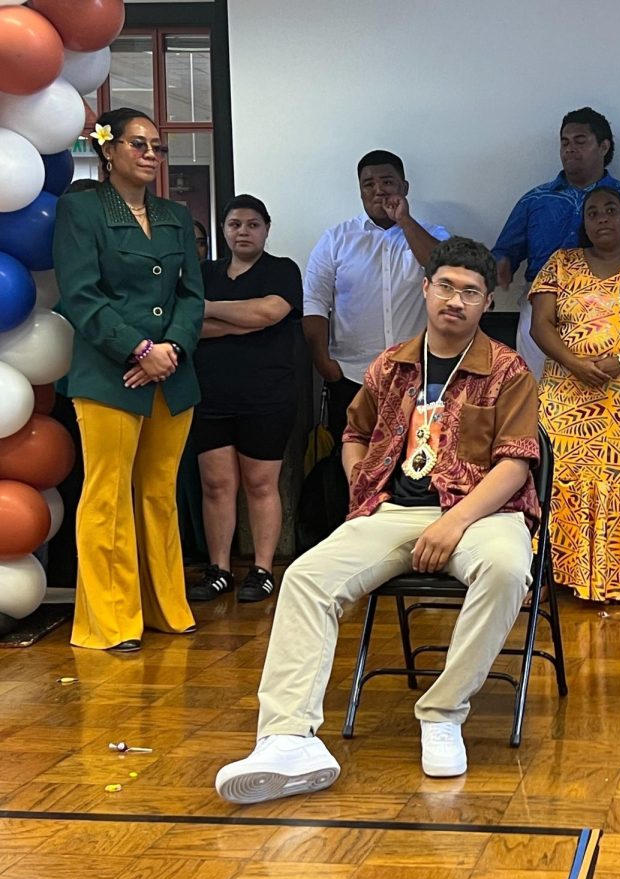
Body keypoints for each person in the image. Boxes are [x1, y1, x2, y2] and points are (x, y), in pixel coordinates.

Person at [215, 236, 540, 800]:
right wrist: (361, 480)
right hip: (394, 510)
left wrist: (453, 522)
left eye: (470, 292)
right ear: (427, 289)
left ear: (488, 302)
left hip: (485, 510)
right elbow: (354, 431)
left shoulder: (508, 369)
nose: (455, 301)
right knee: (306, 579)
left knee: (509, 569)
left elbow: (515, 465)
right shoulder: (391, 365)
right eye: (446, 287)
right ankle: (287, 737)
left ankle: (442, 712)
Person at [52, 107, 203, 651]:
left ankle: (165, 608)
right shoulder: (82, 209)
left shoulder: (174, 214)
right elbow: (80, 295)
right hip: (110, 374)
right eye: (138, 144)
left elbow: (192, 293)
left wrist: (172, 349)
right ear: (107, 150)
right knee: (108, 496)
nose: (150, 155)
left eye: (157, 147)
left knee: (160, 494)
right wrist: (138, 348)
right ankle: (110, 623)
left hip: (172, 373)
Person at [530, 187, 620, 606]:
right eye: (593, 212)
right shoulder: (561, 263)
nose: (602, 218)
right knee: (556, 480)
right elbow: (541, 326)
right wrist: (575, 362)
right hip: (565, 393)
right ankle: (550, 578)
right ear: (584, 222)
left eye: (611, 210)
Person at [492, 107, 620, 378]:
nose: (570, 149)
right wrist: (500, 264)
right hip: (544, 315)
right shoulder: (535, 200)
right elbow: (504, 251)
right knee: (535, 394)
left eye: (580, 141)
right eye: (564, 142)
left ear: (604, 146)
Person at [185, 195, 303, 604]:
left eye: (253, 224)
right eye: (235, 224)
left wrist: (211, 310)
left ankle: (262, 569)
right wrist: (243, 322)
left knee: (259, 483)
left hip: (267, 396)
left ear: (266, 229)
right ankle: (219, 570)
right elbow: (188, 327)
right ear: (223, 230)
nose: (243, 232)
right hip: (210, 394)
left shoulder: (283, 270)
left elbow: (269, 313)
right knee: (216, 485)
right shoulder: (203, 273)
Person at [303, 150, 450, 443]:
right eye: (368, 184)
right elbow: (316, 303)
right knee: (353, 468)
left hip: (420, 376)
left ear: (404, 188)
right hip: (351, 377)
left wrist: (405, 221)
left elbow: (444, 273)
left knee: (418, 466)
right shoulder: (336, 239)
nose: (378, 190)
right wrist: (323, 364)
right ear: (360, 191)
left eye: (387, 182)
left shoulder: (434, 234)